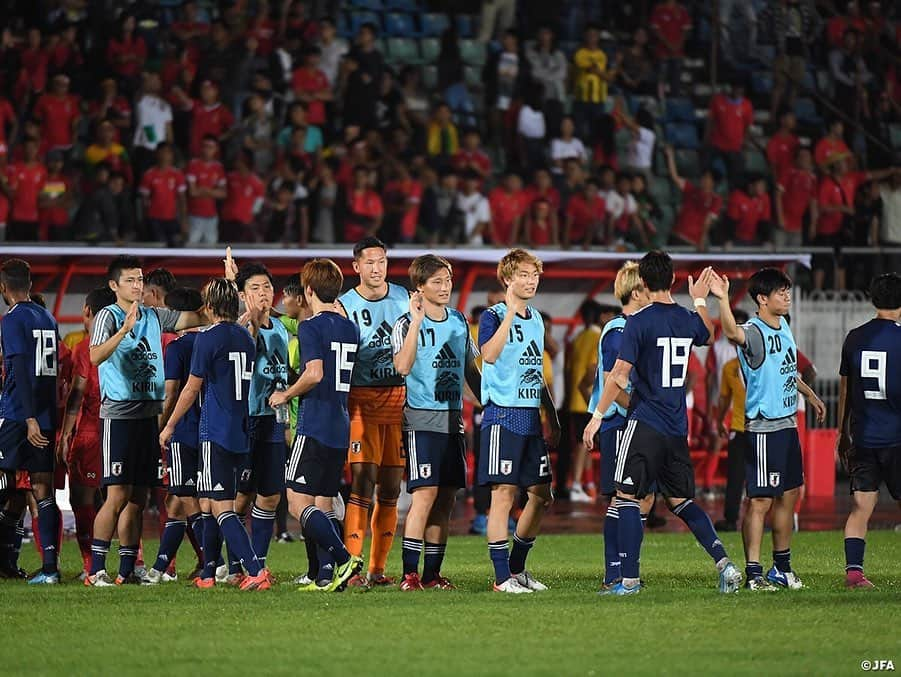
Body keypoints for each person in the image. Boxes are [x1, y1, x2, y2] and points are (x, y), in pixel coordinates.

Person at [582, 252, 742, 595]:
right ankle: (725, 564)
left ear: (643, 283)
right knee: (681, 501)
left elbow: (619, 376)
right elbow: (709, 334)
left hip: (645, 422)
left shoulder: (638, 321)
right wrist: (700, 298)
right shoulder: (686, 318)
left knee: (625, 496)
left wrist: (596, 417)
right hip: (675, 427)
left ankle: (628, 581)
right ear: (671, 280)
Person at [85, 255, 204, 587]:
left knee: (138, 498)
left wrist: (229, 288)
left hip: (148, 415)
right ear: (114, 286)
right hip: (120, 416)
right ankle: (96, 570)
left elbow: (196, 317)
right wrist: (124, 329)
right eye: (131, 281)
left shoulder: (154, 315)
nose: (138, 286)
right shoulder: (108, 316)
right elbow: (95, 356)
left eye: (140, 280)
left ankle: (126, 570)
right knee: (117, 495)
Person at [711, 267, 826, 590]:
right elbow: (733, 334)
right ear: (762, 298)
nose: (787, 296)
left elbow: (787, 369)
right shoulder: (754, 330)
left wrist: (811, 395)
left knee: (790, 495)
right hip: (764, 428)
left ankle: (782, 567)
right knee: (760, 501)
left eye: (787, 290)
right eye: (780, 292)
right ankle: (754, 574)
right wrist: (721, 299)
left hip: (788, 425)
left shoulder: (784, 325)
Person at [159, 278, 271, 591]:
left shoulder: (208, 338)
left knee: (221, 508)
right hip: (239, 430)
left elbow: (191, 388)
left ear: (208, 307)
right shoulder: (246, 337)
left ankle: (254, 570)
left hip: (216, 430)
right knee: (210, 503)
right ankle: (208, 572)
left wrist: (169, 425)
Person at [269, 259, 363, 592]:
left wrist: (285, 394)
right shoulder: (350, 327)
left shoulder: (311, 326)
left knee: (297, 503)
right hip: (340, 423)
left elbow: (315, 373)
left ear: (308, 291)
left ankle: (343, 559)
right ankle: (325, 576)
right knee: (323, 502)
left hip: (315, 424)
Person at [392, 255, 481, 590]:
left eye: (448, 281)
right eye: (437, 282)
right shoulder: (405, 323)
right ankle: (409, 574)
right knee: (425, 496)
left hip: (453, 422)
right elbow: (402, 366)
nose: (445, 287)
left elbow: (470, 369)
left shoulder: (459, 321)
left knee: (446, 499)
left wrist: (489, 399)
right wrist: (416, 322)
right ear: (420, 287)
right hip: (421, 420)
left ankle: (432, 575)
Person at [478, 249, 561, 594]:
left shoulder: (539, 320)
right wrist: (510, 313)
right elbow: (489, 355)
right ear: (508, 279)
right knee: (503, 496)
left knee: (542, 496)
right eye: (524, 275)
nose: (530, 282)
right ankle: (501, 579)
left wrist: (551, 417)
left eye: (534, 275)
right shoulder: (492, 315)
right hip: (502, 414)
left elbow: (535, 373)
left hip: (530, 417)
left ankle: (516, 569)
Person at [337, 238, 409, 587]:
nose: (377, 268)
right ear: (356, 267)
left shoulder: (405, 298)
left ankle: (377, 569)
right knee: (362, 482)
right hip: (361, 400)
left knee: (392, 488)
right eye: (370, 262)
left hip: (398, 399)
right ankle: (352, 567)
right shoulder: (345, 305)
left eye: (382, 261)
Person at [584, 261, 655, 591]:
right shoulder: (617, 330)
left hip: (641, 423)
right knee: (621, 498)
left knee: (645, 498)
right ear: (635, 291)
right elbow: (616, 383)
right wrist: (646, 411)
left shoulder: (643, 327)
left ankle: (629, 566)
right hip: (619, 422)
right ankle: (615, 571)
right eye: (649, 286)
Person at [837, 273, 901, 588]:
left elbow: (845, 390)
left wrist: (841, 433)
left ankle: (854, 573)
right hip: (897, 437)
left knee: (861, 506)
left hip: (863, 436)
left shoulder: (854, 338)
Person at [226, 259, 290, 572]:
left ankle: (259, 565)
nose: (263, 292)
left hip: (275, 420)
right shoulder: (239, 329)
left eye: (267, 286)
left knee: (270, 497)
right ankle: (235, 566)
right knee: (240, 498)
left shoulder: (280, 326)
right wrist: (252, 320)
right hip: (247, 420)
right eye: (254, 288)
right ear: (241, 295)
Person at [0, 259, 62, 584]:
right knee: (41, 488)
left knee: (3, 483)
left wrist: (27, 418)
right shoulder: (47, 317)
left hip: (17, 414)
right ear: (30, 283)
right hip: (46, 412)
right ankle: (49, 569)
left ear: (3, 287)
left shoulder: (12, 320)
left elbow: (20, 369)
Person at [142, 287, 207, 584]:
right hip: (209, 429)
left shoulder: (178, 347)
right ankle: (161, 566)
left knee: (182, 497)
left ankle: (210, 560)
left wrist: (160, 426)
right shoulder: (211, 342)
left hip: (183, 430)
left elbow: (170, 393)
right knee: (182, 502)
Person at [57, 287, 116, 579]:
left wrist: (66, 434)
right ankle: (137, 563)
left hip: (92, 432)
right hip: (122, 428)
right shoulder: (125, 340)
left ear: (89, 312)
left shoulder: (84, 347)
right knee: (124, 499)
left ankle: (90, 566)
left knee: (82, 499)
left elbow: (77, 395)